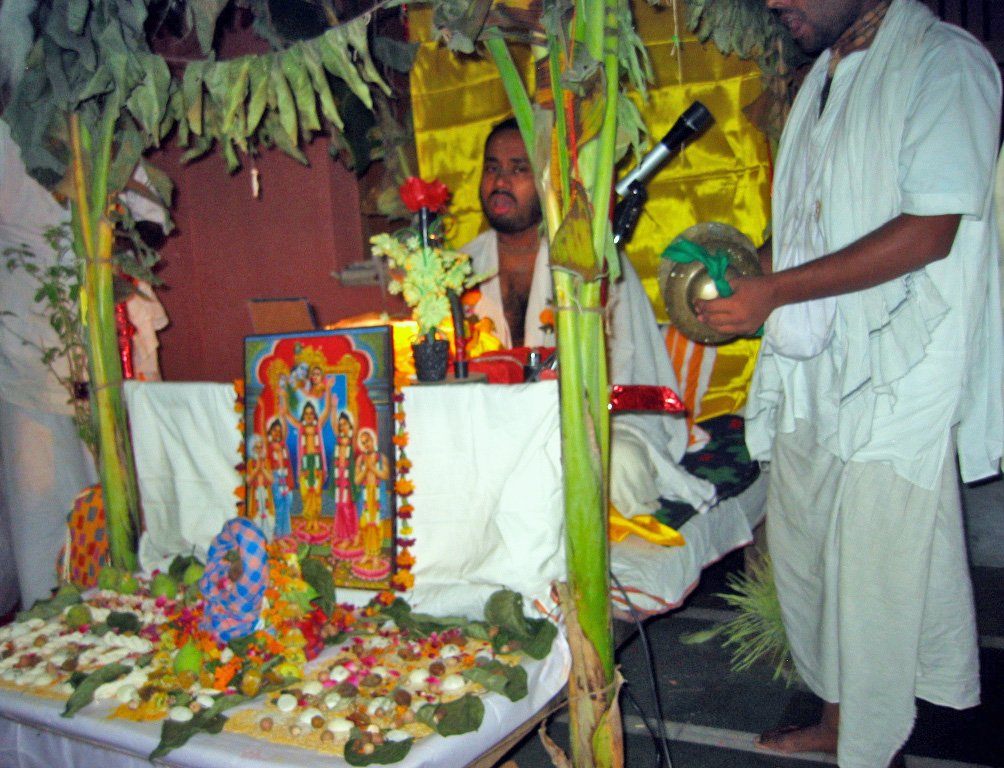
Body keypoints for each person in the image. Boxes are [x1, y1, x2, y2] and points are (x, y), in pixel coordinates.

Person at [694, 1, 1002, 765]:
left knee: (872, 565)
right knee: (810, 551)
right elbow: (813, 217)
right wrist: (745, 270)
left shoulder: (947, 63)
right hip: (816, 356)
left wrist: (775, 293)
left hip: (901, 359)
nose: (773, 3)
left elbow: (930, 230)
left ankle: (867, 745)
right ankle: (840, 718)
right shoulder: (825, 75)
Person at [463, 117, 717, 517]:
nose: (500, 181)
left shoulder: (592, 261)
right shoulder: (461, 268)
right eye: (492, 168)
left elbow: (625, 364)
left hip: (600, 420)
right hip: (499, 427)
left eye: (518, 169)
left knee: (617, 468)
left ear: (548, 182)